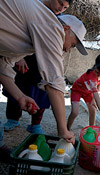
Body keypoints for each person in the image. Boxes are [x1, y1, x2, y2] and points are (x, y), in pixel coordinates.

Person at [0, 0, 88, 144]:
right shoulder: (53, 27)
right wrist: (63, 130)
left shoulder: (28, 39)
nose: (67, 49)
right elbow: (54, 83)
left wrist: (20, 96)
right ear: (65, 29)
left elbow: (2, 67)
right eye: (71, 45)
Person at [67, 53, 100, 129]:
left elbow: (98, 86)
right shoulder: (91, 78)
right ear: (97, 68)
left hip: (87, 92)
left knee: (93, 109)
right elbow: (98, 100)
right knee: (74, 112)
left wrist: (93, 100)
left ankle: (91, 129)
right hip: (77, 90)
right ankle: (66, 129)